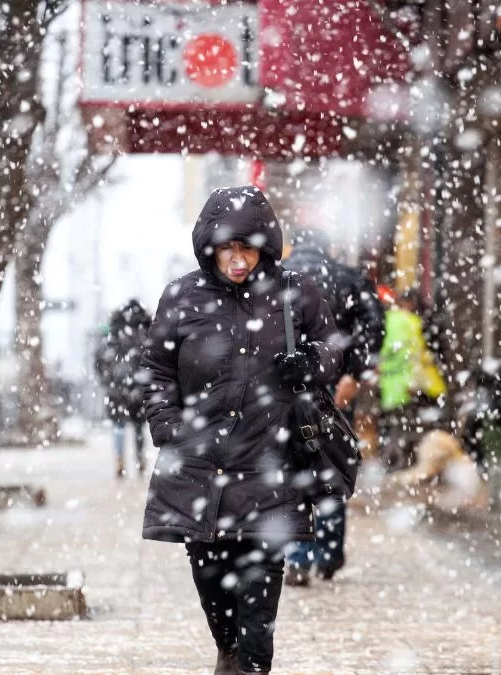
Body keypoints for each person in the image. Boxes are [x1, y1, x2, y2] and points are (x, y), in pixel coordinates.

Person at [139, 186, 342, 675]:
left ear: (264, 248)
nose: (237, 259)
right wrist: (168, 426)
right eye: (228, 248)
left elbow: (333, 347)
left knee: (261, 583)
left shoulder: (295, 294)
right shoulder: (182, 297)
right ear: (210, 247)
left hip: (270, 464)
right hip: (199, 467)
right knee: (209, 575)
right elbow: (156, 370)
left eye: (247, 248)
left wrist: (310, 364)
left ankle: (251, 664)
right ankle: (228, 648)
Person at [280, 228, 385, 586]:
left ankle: (297, 554)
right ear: (329, 247)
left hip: (287, 386)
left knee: (293, 466)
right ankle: (327, 552)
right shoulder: (350, 279)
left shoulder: (277, 277)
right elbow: (374, 326)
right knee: (331, 462)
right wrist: (353, 374)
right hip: (335, 385)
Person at [378, 292, 447, 470]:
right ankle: (402, 464)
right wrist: (414, 382)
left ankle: (391, 464)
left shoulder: (386, 320)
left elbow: (383, 353)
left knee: (395, 427)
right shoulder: (410, 322)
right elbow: (414, 355)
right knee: (406, 428)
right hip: (406, 383)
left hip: (390, 384)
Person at [94, 300, 152, 478]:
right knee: (138, 427)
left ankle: (119, 460)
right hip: (138, 389)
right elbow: (153, 361)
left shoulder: (113, 334)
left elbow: (100, 360)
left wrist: (108, 380)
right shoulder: (144, 333)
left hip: (116, 389)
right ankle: (140, 459)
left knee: (119, 426)